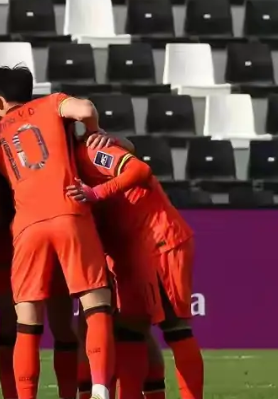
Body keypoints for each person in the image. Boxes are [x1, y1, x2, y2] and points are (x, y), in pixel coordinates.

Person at [0, 65, 115, 399]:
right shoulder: (52, 103)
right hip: (69, 213)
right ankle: (100, 388)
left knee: (27, 321)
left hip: (27, 225)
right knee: (95, 304)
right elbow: (85, 109)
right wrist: (93, 132)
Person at [67, 144, 202, 399]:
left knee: (175, 326)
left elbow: (139, 169)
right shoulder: (62, 167)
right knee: (128, 328)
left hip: (159, 241)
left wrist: (97, 192)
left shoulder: (91, 153)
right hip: (127, 253)